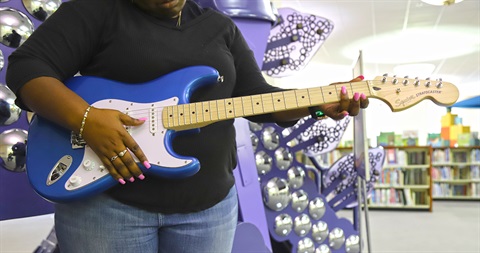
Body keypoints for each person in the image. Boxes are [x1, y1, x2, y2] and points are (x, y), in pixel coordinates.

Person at [6, 0, 369, 252]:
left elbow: (257, 98)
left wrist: (315, 106)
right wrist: (86, 120)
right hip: (106, 207)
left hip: (209, 210)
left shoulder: (219, 28)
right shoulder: (95, 12)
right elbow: (26, 68)